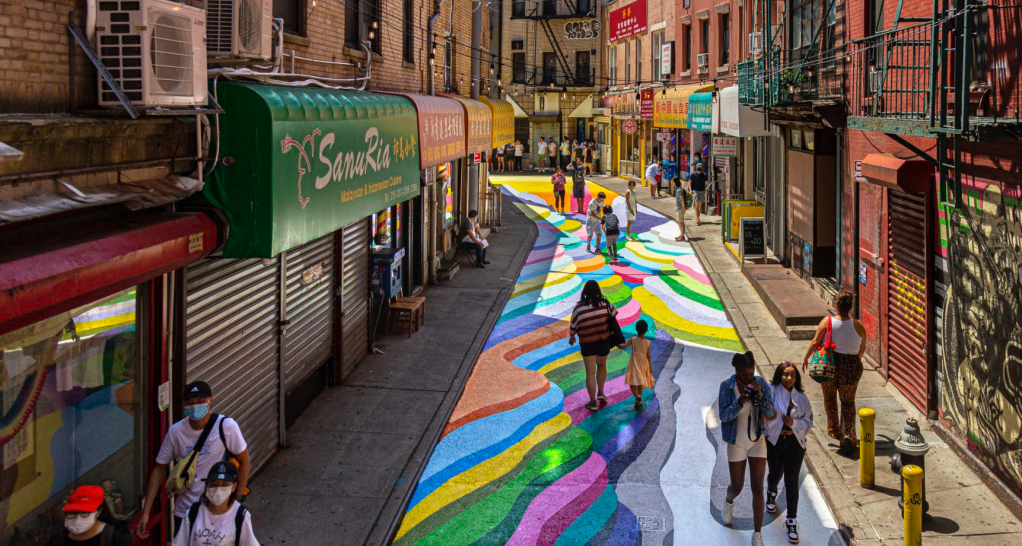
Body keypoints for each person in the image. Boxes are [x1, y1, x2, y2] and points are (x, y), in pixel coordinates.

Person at [138, 381, 250, 539]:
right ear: (183, 405)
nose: (195, 406)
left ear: (210, 400)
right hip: (185, 512)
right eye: (190, 403)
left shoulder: (226, 427)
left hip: (218, 510)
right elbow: (159, 469)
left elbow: (245, 462)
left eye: (200, 401)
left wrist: (236, 501)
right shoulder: (176, 432)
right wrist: (146, 512)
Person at [718, 351, 776, 546]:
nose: (749, 378)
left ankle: (757, 534)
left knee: (758, 487)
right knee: (737, 486)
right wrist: (739, 401)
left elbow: (771, 412)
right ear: (736, 372)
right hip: (736, 441)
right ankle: (728, 500)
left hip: (757, 440)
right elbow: (724, 416)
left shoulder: (760, 383)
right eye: (745, 375)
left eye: (751, 374)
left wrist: (760, 395)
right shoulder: (726, 387)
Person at [803, 291, 866, 450]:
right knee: (848, 402)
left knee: (830, 399)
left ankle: (835, 431)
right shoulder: (858, 325)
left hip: (829, 366)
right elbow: (862, 348)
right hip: (851, 367)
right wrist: (852, 358)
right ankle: (850, 436)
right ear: (850, 307)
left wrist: (806, 358)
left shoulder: (827, 321)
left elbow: (816, 341)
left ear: (836, 306)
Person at [765, 362, 814, 545]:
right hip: (775, 441)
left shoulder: (802, 399)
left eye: (792, 375)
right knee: (775, 472)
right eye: (785, 374)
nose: (788, 378)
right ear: (779, 375)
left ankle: (791, 521)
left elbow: (808, 422)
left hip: (795, 443)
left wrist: (793, 424)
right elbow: (762, 412)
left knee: (791, 480)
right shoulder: (771, 390)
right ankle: (771, 493)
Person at [173, 462, 259, 546]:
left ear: (233, 487)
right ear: (207, 486)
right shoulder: (194, 512)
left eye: (224, 485)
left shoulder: (240, 515)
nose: (218, 490)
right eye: (214, 485)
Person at [568, 280, 617, 411]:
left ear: (585, 292)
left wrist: (572, 335)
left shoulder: (579, 308)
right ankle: (601, 392)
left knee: (590, 373)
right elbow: (614, 317)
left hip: (588, 344)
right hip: (604, 342)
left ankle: (592, 401)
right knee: (602, 365)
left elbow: (573, 326)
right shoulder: (606, 304)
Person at [49, 485, 132, 546]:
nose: (77, 519)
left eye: (84, 513)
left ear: (99, 512)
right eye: (72, 513)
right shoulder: (58, 540)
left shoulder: (113, 538)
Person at [619, 319, 653, 411]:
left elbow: (624, 346)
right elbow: (649, 356)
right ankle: (639, 398)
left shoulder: (633, 339)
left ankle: (637, 396)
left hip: (634, 363)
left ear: (636, 329)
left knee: (632, 383)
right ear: (646, 330)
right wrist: (650, 368)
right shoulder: (648, 343)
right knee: (640, 383)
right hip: (643, 364)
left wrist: (615, 343)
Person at [673, 177, 687, 242]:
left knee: (681, 222)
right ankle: (681, 235)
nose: (671, 183)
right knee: (679, 222)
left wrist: (683, 207)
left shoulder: (679, 190)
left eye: (672, 181)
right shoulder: (677, 189)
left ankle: (682, 236)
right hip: (679, 208)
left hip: (680, 208)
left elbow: (682, 199)